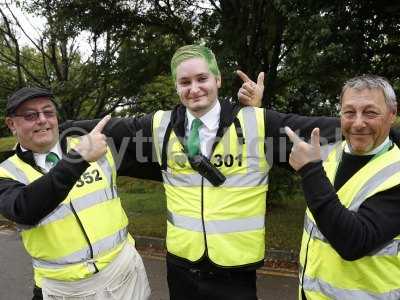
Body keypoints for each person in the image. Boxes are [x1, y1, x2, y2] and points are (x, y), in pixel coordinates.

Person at [65, 44, 341, 300]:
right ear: (176, 86)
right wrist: (49, 127)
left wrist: (378, 126)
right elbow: (98, 129)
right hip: (181, 270)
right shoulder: (159, 126)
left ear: (218, 80)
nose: (194, 88)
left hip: (236, 273)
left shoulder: (257, 123)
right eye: (185, 82)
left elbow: (333, 130)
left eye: (202, 79)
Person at [0, 87, 152, 300]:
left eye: (48, 112)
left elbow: (157, 165)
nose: (42, 120)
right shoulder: (6, 172)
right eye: (30, 115)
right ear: (12, 124)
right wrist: (78, 159)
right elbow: (24, 209)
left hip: (123, 274)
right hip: (64, 289)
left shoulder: (91, 144)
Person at [285, 75, 400, 299]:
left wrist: (310, 171)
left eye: (370, 112)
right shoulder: (330, 153)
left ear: (392, 115)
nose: (358, 123)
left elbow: (354, 241)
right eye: (349, 112)